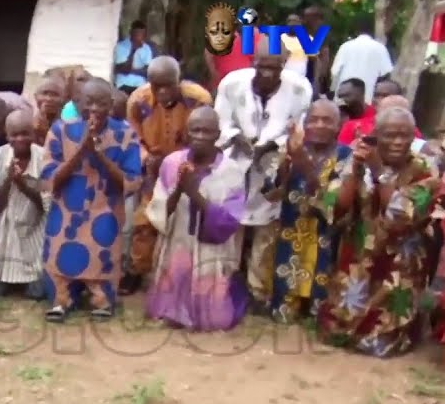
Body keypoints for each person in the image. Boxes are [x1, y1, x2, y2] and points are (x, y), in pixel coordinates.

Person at [318, 106, 440, 357]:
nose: (398, 142)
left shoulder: (424, 171)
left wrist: (379, 173)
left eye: (405, 135)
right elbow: (337, 207)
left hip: (398, 259)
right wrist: (355, 168)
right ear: (376, 135)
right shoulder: (359, 159)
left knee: (381, 340)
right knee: (337, 332)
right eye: (390, 135)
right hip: (359, 253)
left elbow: (399, 216)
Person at [214, 46, 312, 310]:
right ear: (253, 62)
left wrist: (272, 145)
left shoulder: (300, 89)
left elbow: (298, 128)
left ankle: (257, 291)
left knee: (266, 229)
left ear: (284, 65)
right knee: (230, 225)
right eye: (262, 66)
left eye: (275, 67)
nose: (268, 73)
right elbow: (220, 121)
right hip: (235, 159)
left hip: (274, 163)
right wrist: (237, 138)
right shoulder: (232, 84)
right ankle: (223, 286)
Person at [41, 78, 143, 321]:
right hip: (66, 207)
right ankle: (62, 299)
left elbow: (131, 182)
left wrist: (99, 154)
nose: (94, 109)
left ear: (111, 105)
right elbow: (47, 179)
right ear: (77, 104)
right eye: (89, 103)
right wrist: (81, 150)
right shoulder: (60, 130)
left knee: (103, 247)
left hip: (105, 208)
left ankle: (101, 299)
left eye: (101, 103)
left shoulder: (125, 134)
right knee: (61, 249)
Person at [145, 107, 250, 331]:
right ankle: (174, 311)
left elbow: (230, 220)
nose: (200, 137)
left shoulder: (231, 171)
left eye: (207, 132)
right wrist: (179, 190)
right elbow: (159, 209)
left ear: (217, 134)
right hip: (178, 240)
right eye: (195, 131)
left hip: (212, 250)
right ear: (187, 132)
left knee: (214, 318)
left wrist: (195, 194)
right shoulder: (172, 163)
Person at [120, 56, 214, 296]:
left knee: (184, 221)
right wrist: (146, 158)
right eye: (156, 86)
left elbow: (203, 135)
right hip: (153, 168)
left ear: (178, 81)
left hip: (187, 166)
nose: (163, 92)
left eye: (168, 85)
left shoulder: (198, 99)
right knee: (145, 221)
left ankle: (182, 275)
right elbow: (133, 138)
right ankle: (137, 271)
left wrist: (182, 162)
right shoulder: (138, 101)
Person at [267, 99, 349, 322]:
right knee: (286, 283)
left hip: (326, 233)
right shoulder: (290, 148)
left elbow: (333, 202)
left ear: (338, 125)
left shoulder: (346, 157)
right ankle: (285, 306)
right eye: (313, 120)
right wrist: (285, 165)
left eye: (327, 120)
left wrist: (303, 162)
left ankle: (316, 310)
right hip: (291, 228)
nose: (320, 125)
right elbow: (271, 192)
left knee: (321, 288)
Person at [0, 109, 48, 298]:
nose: (20, 139)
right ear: (7, 135)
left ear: (34, 133)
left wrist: (23, 185)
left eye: (25, 133)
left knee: (37, 294)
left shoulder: (45, 158)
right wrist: (9, 181)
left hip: (33, 235)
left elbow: (45, 207)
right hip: (3, 242)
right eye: (14, 134)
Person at [337, 79, 421, 145]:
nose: (380, 100)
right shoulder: (352, 126)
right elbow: (341, 155)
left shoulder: (410, 130)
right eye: (376, 95)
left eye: (385, 95)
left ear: (398, 97)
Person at [331, 18, 394, 105]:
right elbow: (386, 74)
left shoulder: (345, 46)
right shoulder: (380, 48)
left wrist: (334, 91)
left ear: (356, 31)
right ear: (373, 31)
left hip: (344, 97)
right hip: (368, 97)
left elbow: (335, 72)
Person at [114, 20, 158, 94]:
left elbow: (148, 71)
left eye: (142, 34)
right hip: (123, 84)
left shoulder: (146, 48)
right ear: (131, 33)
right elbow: (124, 70)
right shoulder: (121, 46)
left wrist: (132, 70)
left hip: (140, 85)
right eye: (137, 34)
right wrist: (133, 50)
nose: (139, 37)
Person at [300, 5, 332, 96]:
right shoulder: (304, 31)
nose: (306, 20)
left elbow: (325, 55)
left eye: (308, 17)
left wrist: (321, 75)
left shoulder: (321, 32)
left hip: (315, 71)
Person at [32, 76, 67, 148]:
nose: (49, 99)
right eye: (44, 93)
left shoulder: (69, 125)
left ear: (63, 99)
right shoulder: (28, 125)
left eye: (55, 94)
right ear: (35, 96)